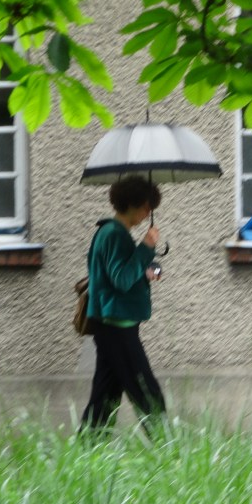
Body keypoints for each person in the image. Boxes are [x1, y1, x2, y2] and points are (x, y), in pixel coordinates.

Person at [80, 175, 165, 436]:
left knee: (105, 396)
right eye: (146, 207)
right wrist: (146, 247)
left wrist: (148, 268)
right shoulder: (115, 235)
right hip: (118, 326)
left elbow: (118, 273)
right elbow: (121, 279)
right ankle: (169, 450)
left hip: (111, 325)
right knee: (147, 392)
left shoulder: (110, 233)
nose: (147, 213)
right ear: (132, 204)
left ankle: (88, 452)